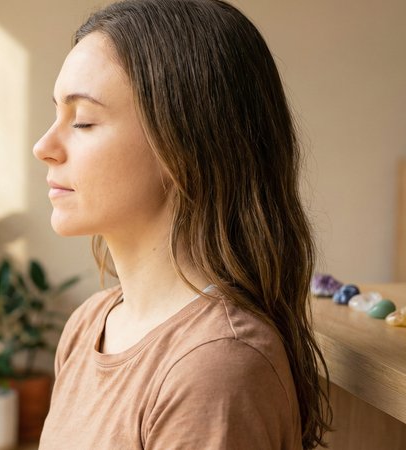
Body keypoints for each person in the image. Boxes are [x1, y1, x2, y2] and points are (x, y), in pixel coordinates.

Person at [32, 0, 333, 448]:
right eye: (56, 114)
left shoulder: (216, 366)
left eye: (83, 121)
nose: (44, 146)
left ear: (182, 146)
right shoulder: (88, 325)